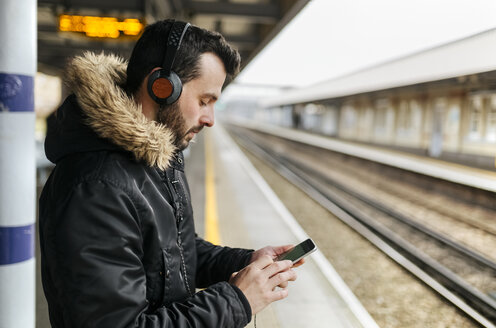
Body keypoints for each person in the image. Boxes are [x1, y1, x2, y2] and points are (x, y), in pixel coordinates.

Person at [39, 19, 301, 328]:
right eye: (204, 101)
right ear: (161, 87)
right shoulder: (97, 186)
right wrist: (238, 300)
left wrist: (246, 262)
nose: (210, 119)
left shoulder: (153, 159)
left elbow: (173, 251)